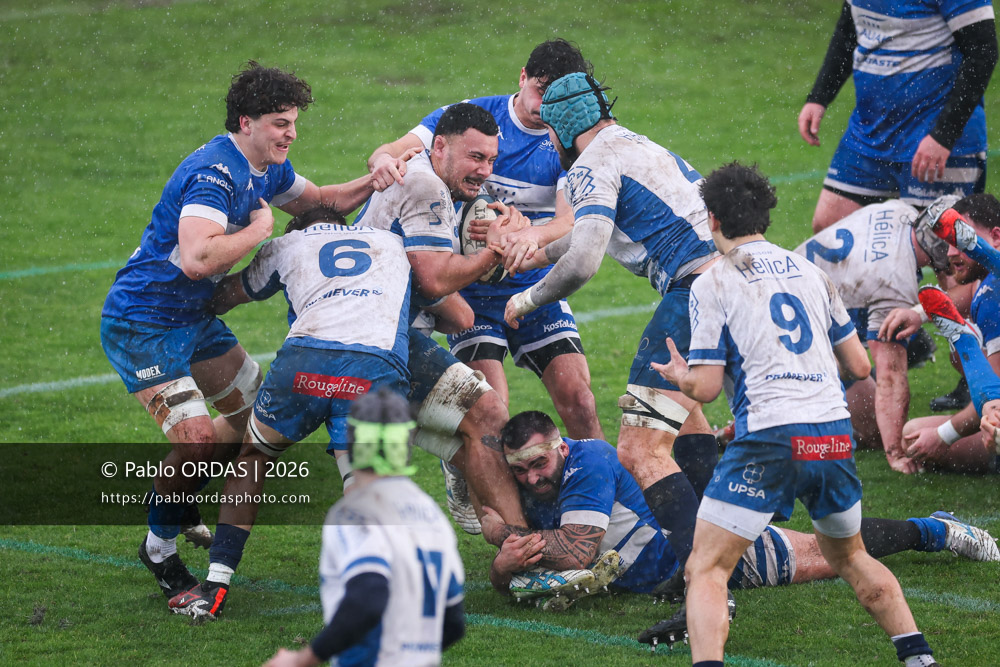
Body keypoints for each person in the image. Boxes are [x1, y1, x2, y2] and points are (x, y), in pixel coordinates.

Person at [99, 61, 397, 603]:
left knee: (249, 419)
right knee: (192, 440)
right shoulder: (214, 174)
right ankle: (160, 553)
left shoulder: (266, 169)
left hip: (193, 320)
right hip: (143, 322)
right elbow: (196, 258)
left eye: (294, 122)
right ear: (246, 122)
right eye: (280, 122)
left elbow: (319, 199)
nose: (291, 133)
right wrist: (261, 229)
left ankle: (177, 499)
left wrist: (373, 181)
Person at [653, 161, 937, 666]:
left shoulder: (711, 282)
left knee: (708, 568)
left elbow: (709, 386)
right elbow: (858, 364)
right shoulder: (812, 273)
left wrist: (681, 377)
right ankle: (918, 656)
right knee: (850, 557)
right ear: (765, 215)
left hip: (769, 437)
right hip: (830, 435)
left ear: (711, 219)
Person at [367, 39, 605, 528]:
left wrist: (526, 234)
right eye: (540, 91)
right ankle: (509, 523)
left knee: (579, 398)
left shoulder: (568, 136)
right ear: (522, 78)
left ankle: (602, 505)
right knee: (491, 413)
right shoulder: (472, 119)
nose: (546, 107)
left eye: (557, 98)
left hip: (532, 281)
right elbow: (393, 151)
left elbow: (569, 221)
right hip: (467, 288)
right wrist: (382, 160)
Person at [501, 71, 720, 575]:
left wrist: (526, 301)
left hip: (698, 290)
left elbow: (582, 262)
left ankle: (704, 575)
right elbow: (577, 240)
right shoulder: (632, 143)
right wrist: (527, 252)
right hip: (733, 281)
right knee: (684, 411)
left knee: (639, 447)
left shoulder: (589, 165)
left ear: (559, 127)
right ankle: (726, 530)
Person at [486, 411, 998, 623]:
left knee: (836, 553)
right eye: (521, 471)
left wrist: (507, 538)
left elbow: (575, 550)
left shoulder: (588, 459)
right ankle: (741, 450)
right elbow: (511, 573)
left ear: (560, 445)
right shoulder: (529, 483)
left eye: (539, 463)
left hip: (706, 552)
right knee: (706, 473)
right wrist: (503, 565)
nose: (531, 478)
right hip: (666, 564)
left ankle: (938, 530)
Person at [165, 206, 413, 618]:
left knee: (253, 458)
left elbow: (223, 297)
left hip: (305, 365)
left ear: (296, 226)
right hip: (374, 369)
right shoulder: (392, 243)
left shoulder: (288, 243)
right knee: (365, 479)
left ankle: (216, 587)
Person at [355, 102, 530, 538]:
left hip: (362, 331)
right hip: (376, 339)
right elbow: (433, 281)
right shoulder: (426, 187)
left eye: (491, 160)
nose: (485, 170)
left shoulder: (430, 179)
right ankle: (525, 550)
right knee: (488, 417)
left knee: (255, 434)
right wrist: (494, 251)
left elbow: (449, 307)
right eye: (475, 157)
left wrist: (502, 219)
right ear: (439, 146)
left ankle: (172, 527)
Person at [263, 388, 465, 667]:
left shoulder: (354, 512)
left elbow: (368, 597)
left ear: (353, 443)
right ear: (406, 445)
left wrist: (302, 660)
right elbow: (454, 623)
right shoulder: (432, 514)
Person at [798, 1, 997, 234]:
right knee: (830, 228)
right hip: (869, 134)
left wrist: (943, 136)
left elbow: (983, 50)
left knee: (945, 253)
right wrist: (819, 97)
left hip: (934, 136)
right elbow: (850, 29)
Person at [792, 198, 954, 473]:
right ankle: (773, 424)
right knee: (875, 433)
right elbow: (891, 375)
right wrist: (895, 453)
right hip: (796, 343)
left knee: (857, 380)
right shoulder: (894, 278)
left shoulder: (900, 210)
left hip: (799, 313)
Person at [880, 194, 1000, 472]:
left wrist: (944, 435)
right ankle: (965, 338)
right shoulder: (986, 286)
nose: (949, 254)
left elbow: (996, 400)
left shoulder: (994, 298)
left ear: (996, 234)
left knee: (993, 415)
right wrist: (920, 314)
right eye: (949, 243)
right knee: (914, 432)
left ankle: (965, 339)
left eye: (958, 243)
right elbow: (969, 292)